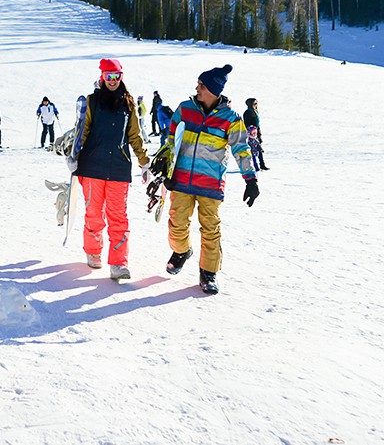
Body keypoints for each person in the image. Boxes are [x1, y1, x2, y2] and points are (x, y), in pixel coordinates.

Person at [164, 65, 257, 295]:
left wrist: (250, 179)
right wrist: (166, 170)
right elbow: (171, 141)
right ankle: (182, 251)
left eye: (201, 85)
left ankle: (208, 273)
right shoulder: (185, 109)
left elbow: (241, 148)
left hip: (210, 183)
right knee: (177, 224)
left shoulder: (230, 119)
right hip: (181, 179)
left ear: (214, 91)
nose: (197, 88)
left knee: (210, 229)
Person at [74, 58, 150, 281]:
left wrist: (144, 161)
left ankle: (118, 263)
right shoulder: (92, 101)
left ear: (121, 77)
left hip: (118, 167)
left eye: (117, 76)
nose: (113, 80)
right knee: (94, 213)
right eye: (109, 76)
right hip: (92, 166)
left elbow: (135, 136)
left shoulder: (129, 104)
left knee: (118, 217)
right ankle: (93, 250)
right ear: (102, 77)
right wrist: (74, 156)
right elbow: (82, 131)